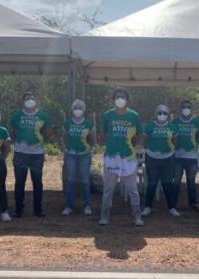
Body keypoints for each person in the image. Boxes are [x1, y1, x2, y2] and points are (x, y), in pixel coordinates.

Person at [99, 88, 144, 226]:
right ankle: (104, 215)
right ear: (113, 100)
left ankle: (137, 216)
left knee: (132, 189)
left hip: (128, 157)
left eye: (122, 97)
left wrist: (136, 148)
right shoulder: (107, 116)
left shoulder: (134, 116)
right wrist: (109, 144)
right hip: (112, 156)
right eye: (117, 97)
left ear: (127, 100)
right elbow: (102, 135)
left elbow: (140, 136)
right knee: (109, 188)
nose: (120, 99)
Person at [10, 91, 50, 218]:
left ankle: (37, 209)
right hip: (20, 153)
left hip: (37, 154)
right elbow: (11, 131)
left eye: (32, 98)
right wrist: (17, 143)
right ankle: (18, 209)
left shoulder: (43, 115)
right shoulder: (17, 116)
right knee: (19, 183)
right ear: (23, 101)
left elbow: (48, 132)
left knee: (37, 183)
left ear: (36, 100)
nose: (30, 100)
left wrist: (41, 141)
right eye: (27, 98)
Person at [142, 104, 179, 217]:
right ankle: (148, 207)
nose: (162, 115)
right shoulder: (149, 126)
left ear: (168, 115)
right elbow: (144, 141)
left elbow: (175, 141)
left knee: (167, 183)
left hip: (168, 158)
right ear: (155, 114)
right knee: (151, 183)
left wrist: (169, 150)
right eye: (159, 113)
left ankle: (172, 208)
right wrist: (150, 150)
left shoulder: (172, 127)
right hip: (152, 158)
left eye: (164, 113)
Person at [62, 99, 96, 216]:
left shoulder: (89, 124)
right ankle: (68, 206)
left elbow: (92, 140)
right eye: (76, 107)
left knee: (85, 181)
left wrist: (90, 149)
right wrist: (67, 149)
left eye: (80, 108)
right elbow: (64, 138)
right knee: (70, 181)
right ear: (72, 110)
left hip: (84, 155)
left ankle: (87, 206)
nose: (78, 110)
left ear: (84, 110)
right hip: (70, 155)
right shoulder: (67, 123)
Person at [173, 100, 199, 211]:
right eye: (184, 107)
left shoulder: (197, 123)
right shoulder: (174, 122)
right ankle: (173, 204)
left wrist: (192, 145)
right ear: (180, 109)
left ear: (191, 109)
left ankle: (193, 203)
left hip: (192, 157)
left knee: (191, 182)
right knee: (176, 181)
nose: (186, 109)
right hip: (177, 157)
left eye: (188, 107)